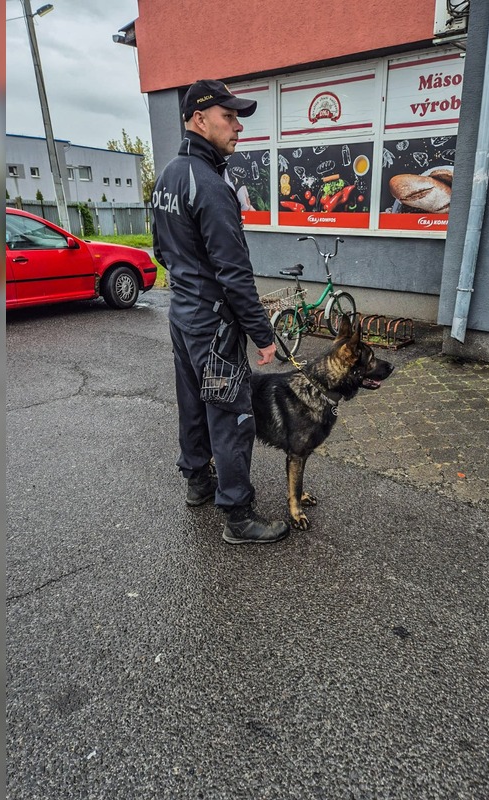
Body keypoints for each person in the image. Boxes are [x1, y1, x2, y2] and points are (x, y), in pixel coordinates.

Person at [151, 79, 289, 545]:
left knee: (193, 403)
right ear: (199, 119)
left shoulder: (168, 176)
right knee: (231, 415)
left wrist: (190, 288)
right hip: (213, 326)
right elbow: (235, 273)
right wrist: (263, 334)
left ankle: (198, 482)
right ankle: (238, 515)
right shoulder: (210, 185)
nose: (237, 127)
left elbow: (160, 251)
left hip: (183, 317)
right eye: (228, 117)